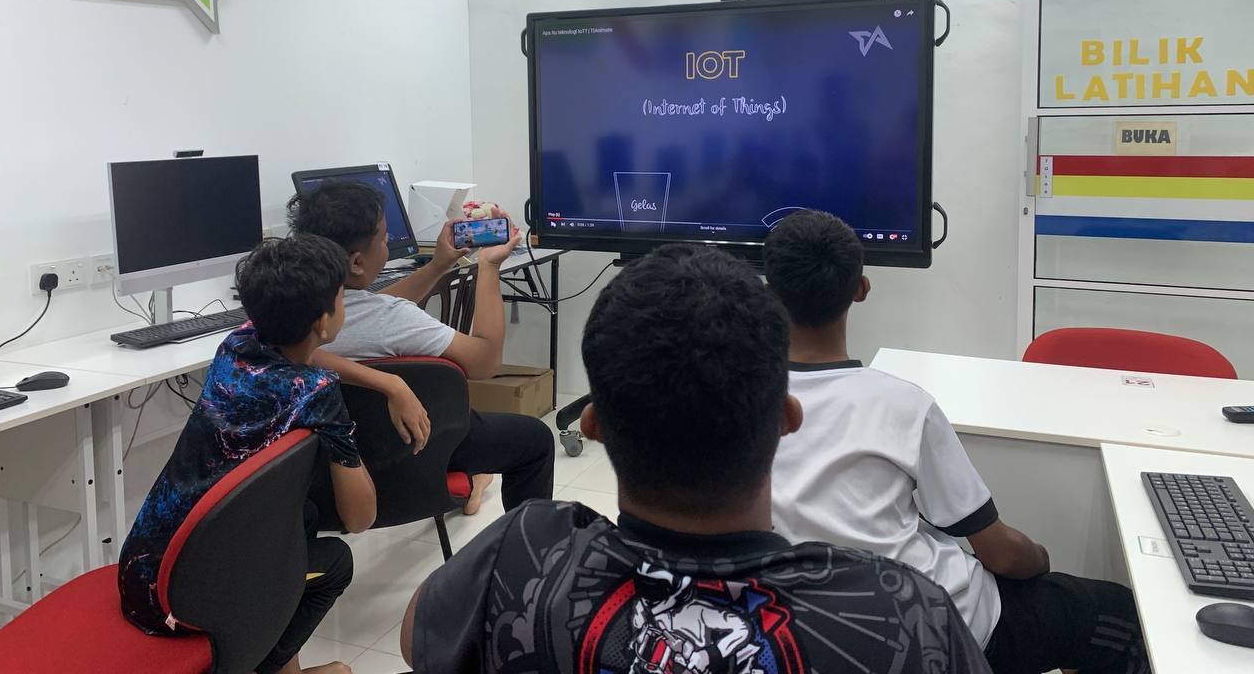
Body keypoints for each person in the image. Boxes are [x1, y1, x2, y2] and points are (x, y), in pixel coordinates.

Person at [399, 244, 991, 674]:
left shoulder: (521, 550)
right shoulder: (903, 611)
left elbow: (414, 638)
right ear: (787, 418)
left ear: (593, 426)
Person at [764, 210, 1148, 674]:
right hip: (939, 626)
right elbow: (1000, 552)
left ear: (768, 291)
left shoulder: (741, 404)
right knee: (1128, 618)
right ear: (861, 288)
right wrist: (1040, 560)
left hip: (796, 634)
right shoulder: (904, 405)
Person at [118, 234, 376, 674]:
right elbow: (360, 517)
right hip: (183, 602)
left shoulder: (234, 344)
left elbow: (304, 361)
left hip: (141, 574)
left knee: (303, 517)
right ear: (323, 321)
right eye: (341, 297)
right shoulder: (317, 393)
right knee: (336, 563)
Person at [287, 181, 554, 513]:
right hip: (414, 449)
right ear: (356, 263)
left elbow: (371, 308)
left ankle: (476, 482)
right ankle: (526, 537)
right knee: (535, 440)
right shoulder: (393, 320)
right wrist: (488, 267)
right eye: (384, 239)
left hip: (325, 471)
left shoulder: (286, 317)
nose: (388, 244)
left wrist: (437, 265)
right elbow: (485, 361)